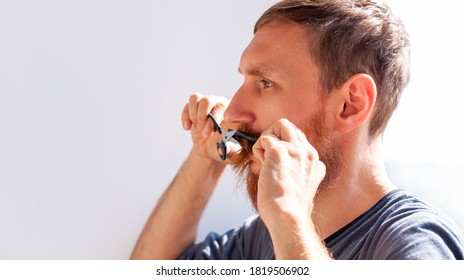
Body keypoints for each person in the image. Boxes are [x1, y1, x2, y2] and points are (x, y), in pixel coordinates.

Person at [131, 0, 464, 260]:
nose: (232, 112)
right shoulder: (262, 236)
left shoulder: (416, 244)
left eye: (266, 83)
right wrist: (205, 158)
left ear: (350, 104)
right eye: (244, 79)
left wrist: (289, 218)